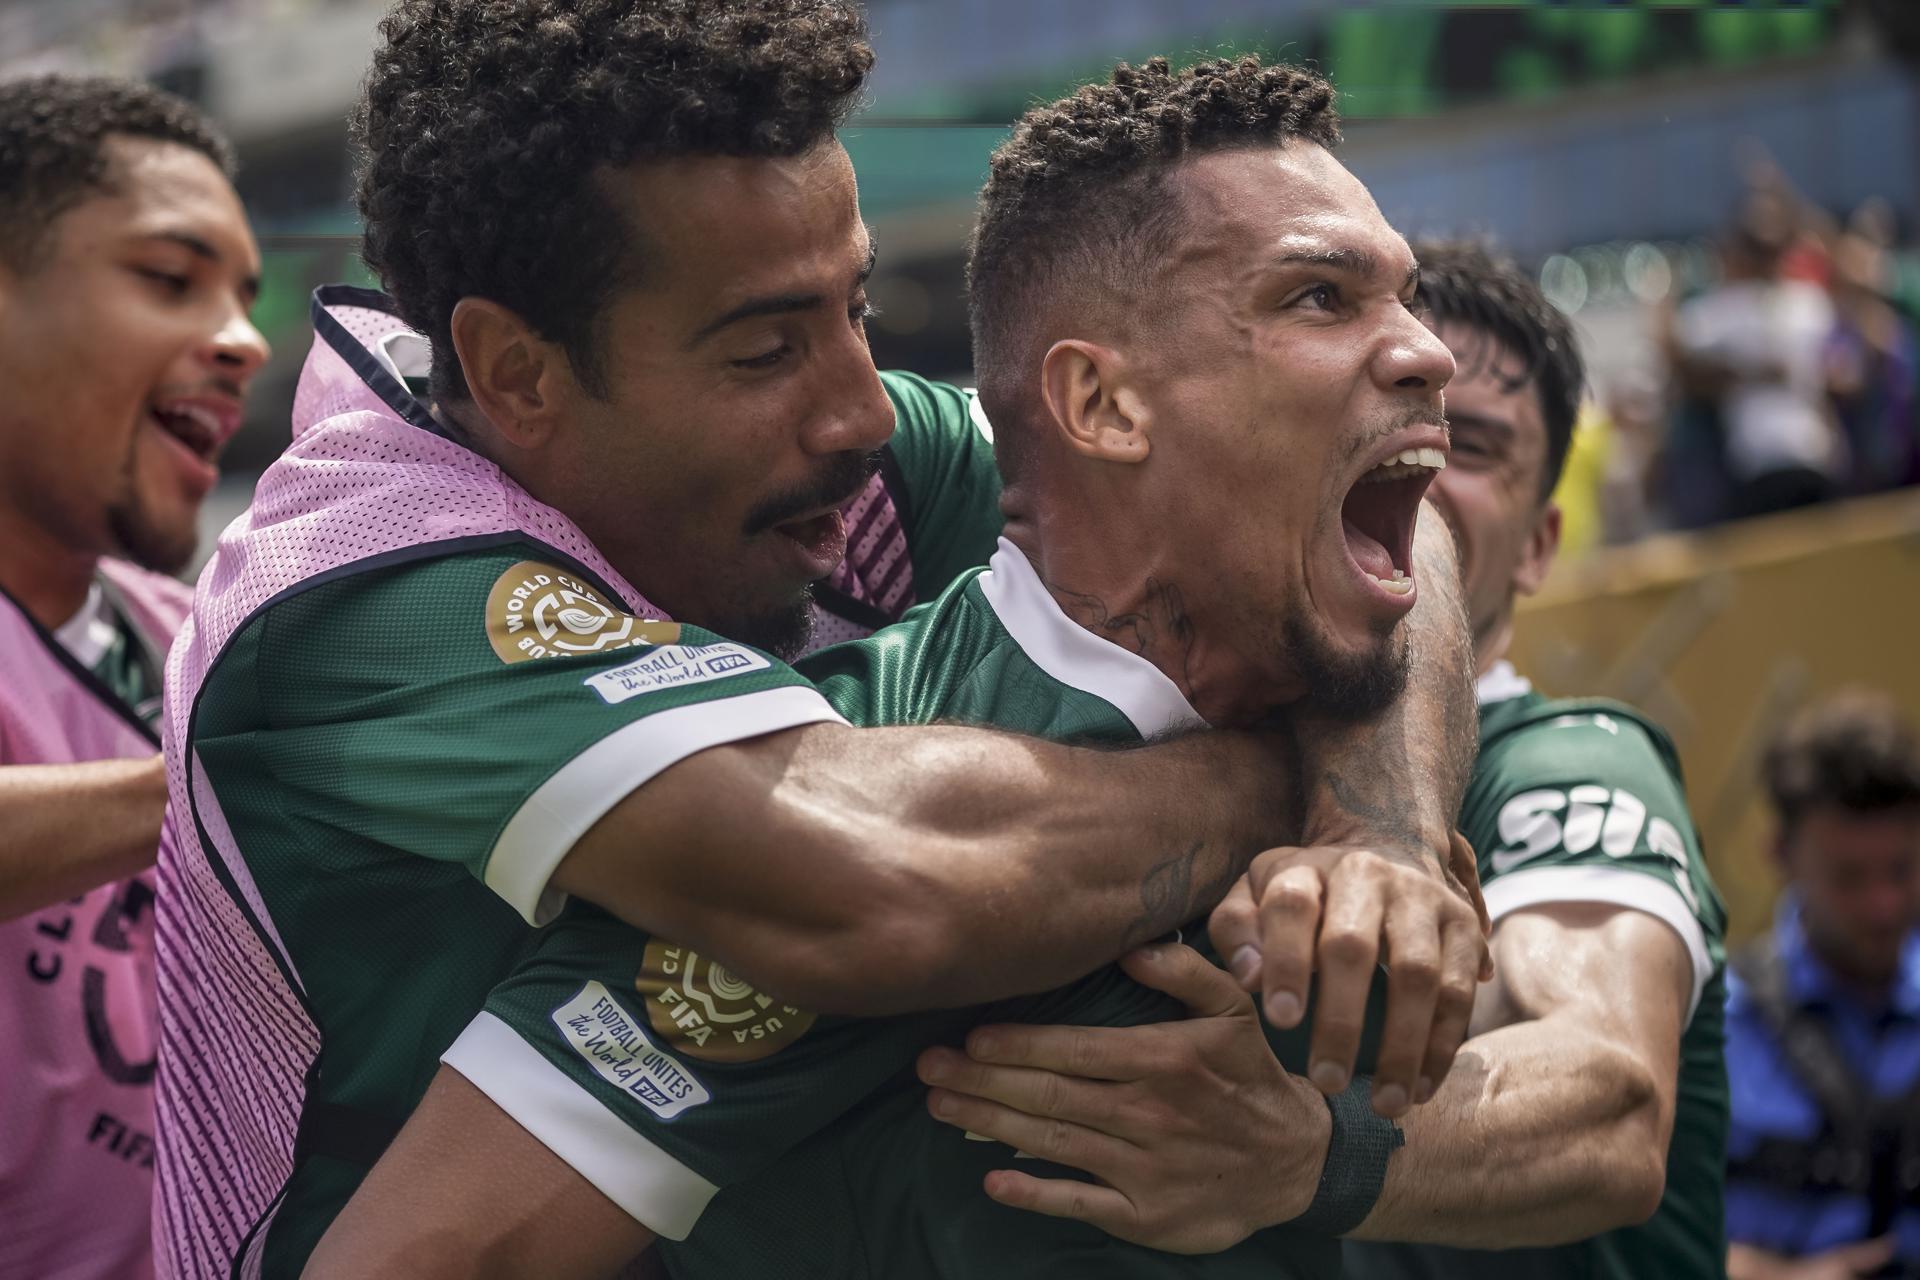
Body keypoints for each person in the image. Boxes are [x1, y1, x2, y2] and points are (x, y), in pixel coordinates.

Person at [151, 9, 1486, 1277]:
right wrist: (1260, 772)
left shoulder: (820, 453)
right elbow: (867, 890)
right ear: (515, 375)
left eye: (853, 308)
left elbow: (1365, 521)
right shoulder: (359, 589)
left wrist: (1384, 836)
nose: (860, 408)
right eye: (764, 350)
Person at [933, 241, 1733, 1279]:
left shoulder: (1571, 761)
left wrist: (1310, 1153)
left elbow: (1610, 1096)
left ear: (1541, 544)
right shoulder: (1188, 732)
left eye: (1476, 445)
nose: (1422, 453)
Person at [0, 74, 269, 1279]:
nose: (245, 339)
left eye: (245, 296)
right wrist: (231, 782)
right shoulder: (240, 725)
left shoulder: (199, 632)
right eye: (171, 277)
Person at [1724, 691, 1920, 1280]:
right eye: (1849, 878)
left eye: (1903, 870)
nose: (1884, 905)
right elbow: (1641, 1243)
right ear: (1781, 855)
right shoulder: (1712, 1028)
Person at [1667, 190, 1847, 521]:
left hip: (1812, 457)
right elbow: (1675, 352)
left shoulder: (1808, 304)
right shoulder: (1727, 308)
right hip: (1760, 466)